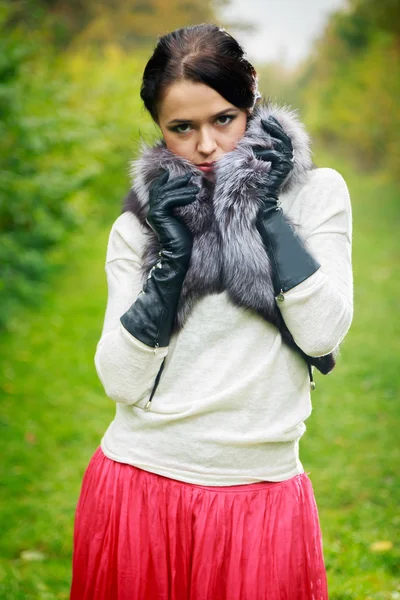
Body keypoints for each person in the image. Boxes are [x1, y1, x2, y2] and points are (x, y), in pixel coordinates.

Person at [70, 23, 353, 600]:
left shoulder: (317, 195)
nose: (206, 147)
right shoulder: (139, 227)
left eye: (223, 118)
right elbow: (121, 382)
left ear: (250, 95)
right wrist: (171, 262)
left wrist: (266, 211)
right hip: (139, 484)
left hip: (261, 492)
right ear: (158, 128)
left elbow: (322, 332)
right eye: (182, 128)